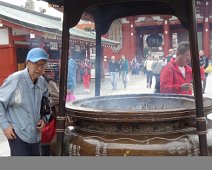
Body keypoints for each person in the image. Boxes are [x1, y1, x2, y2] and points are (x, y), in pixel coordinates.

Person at [0, 48, 49, 156]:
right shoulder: (15, 80)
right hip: (17, 134)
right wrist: (5, 126)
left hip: (36, 134)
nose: (40, 68)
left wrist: (44, 119)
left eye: (43, 64)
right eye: (36, 64)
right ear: (27, 63)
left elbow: (46, 104)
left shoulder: (42, 82)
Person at [40, 74, 59, 156]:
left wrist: (42, 104)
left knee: (46, 147)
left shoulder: (48, 81)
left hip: (49, 119)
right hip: (35, 119)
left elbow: (57, 97)